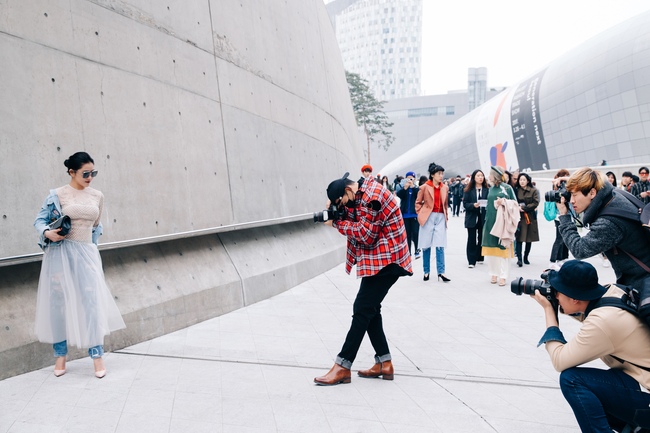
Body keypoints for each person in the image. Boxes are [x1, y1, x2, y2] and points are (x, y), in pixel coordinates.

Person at [314, 172, 412, 385]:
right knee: (370, 309)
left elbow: (366, 235)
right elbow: (356, 216)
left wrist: (336, 224)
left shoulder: (371, 198)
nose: (342, 206)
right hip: (381, 258)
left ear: (348, 190)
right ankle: (384, 363)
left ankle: (343, 365)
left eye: (341, 202)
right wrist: (339, 212)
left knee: (362, 308)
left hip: (389, 259)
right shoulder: (360, 191)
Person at [33, 151, 125, 378]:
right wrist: (47, 232)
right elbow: (39, 220)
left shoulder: (97, 196)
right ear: (71, 172)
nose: (90, 177)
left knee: (92, 302)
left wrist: (91, 248)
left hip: (86, 253)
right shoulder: (57, 195)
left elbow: (96, 226)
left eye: (93, 172)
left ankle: (97, 355)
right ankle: (60, 355)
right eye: (86, 173)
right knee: (58, 304)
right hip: (60, 253)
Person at [531, 260, 650, 433]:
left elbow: (560, 360)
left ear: (574, 298)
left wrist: (550, 311)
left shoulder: (603, 322)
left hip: (645, 391)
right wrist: (557, 301)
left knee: (572, 379)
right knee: (597, 385)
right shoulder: (612, 290)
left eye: (558, 293)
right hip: (640, 379)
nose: (555, 296)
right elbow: (587, 311)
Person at [557, 167, 650, 289]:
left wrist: (564, 217)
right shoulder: (614, 194)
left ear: (592, 193)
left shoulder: (608, 223)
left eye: (574, 195)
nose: (571, 201)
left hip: (642, 282)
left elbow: (579, 249)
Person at [481, 166, 518, 286]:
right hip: (490, 221)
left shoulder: (507, 188)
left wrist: (504, 202)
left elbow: (515, 204)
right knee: (492, 250)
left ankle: (503, 275)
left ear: (495, 176)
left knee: (503, 249)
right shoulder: (491, 189)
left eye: (490, 174)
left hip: (503, 223)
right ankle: (493, 273)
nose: (489, 176)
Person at [416, 163, 450, 282]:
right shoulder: (424, 187)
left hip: (440, 216)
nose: (441, 176)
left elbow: (445, 204)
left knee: (440, 245)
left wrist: (446, 216)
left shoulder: (445, 187)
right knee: (426, 245)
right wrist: (421, 214)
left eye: (442, 173)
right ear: (432, 175)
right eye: (439, 174)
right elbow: (418, 202)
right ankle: (426, 271)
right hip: (428, 217)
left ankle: (441, 272)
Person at [463, 169, 488, 268]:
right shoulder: (468, 190)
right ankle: (471, 260)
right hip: (472, 217)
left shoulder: (487, 189)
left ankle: (480, 256)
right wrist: (473, 205)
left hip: (483, 217)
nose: (480, 177)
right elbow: (465, 204)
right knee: (471, 238)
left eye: (482, 176)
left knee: (481, 237)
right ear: (474, 177)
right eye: (478, 176)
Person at [514, 173, 540, 267]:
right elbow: (513, 201)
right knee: (519, 238)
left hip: (530, 216)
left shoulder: (534, 190)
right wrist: (517, 207)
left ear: (527, 181)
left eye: (524, 180)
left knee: (529, 238)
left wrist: (524, 208)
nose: (522, 181)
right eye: (520, 180)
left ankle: (526, 257)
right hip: (519, 217)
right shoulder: (516, 190)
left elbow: (535, 202)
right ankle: (519, 259)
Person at [549, 169, 571, 270]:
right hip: (559, 215)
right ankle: (553, 260)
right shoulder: (557, 188)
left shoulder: (569, 187)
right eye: (565, 176)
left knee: (566, 237)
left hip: (569, 214)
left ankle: (563, 258)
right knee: (559, 238)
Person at [396, 171, 420, 259]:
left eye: (411, 178)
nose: (410, 180)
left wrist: (413, 187)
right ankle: (408, 251)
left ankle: (417, 250)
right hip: (405, 215)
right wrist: (405, 188)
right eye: (408, 178)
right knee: (407, 234)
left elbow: (418, 196)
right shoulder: (404, 188)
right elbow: (399, 195)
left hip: (414, 215)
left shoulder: (416, 188)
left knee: (416, 233)